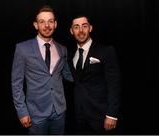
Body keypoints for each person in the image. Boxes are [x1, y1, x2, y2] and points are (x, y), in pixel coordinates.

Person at [11, 5, 73, 135]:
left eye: (50, 21)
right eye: (42, 22)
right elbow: (16, 84)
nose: (47, 25)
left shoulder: (62, 49)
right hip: (35, 114)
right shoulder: (22, 48)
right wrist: (22, 112)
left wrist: (91, 72)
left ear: (55, 24)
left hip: (59, 112)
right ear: (35, 25)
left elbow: (68, 75)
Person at [68, 14, 121, 134]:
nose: (81, 30)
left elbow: (114, 85)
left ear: (90, 28)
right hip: (78, 118)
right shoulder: (70, 55)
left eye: (84, 26)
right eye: (76, 27)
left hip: (101, 117)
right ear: (71, 31)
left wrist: (112, 115)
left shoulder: (106, 51)